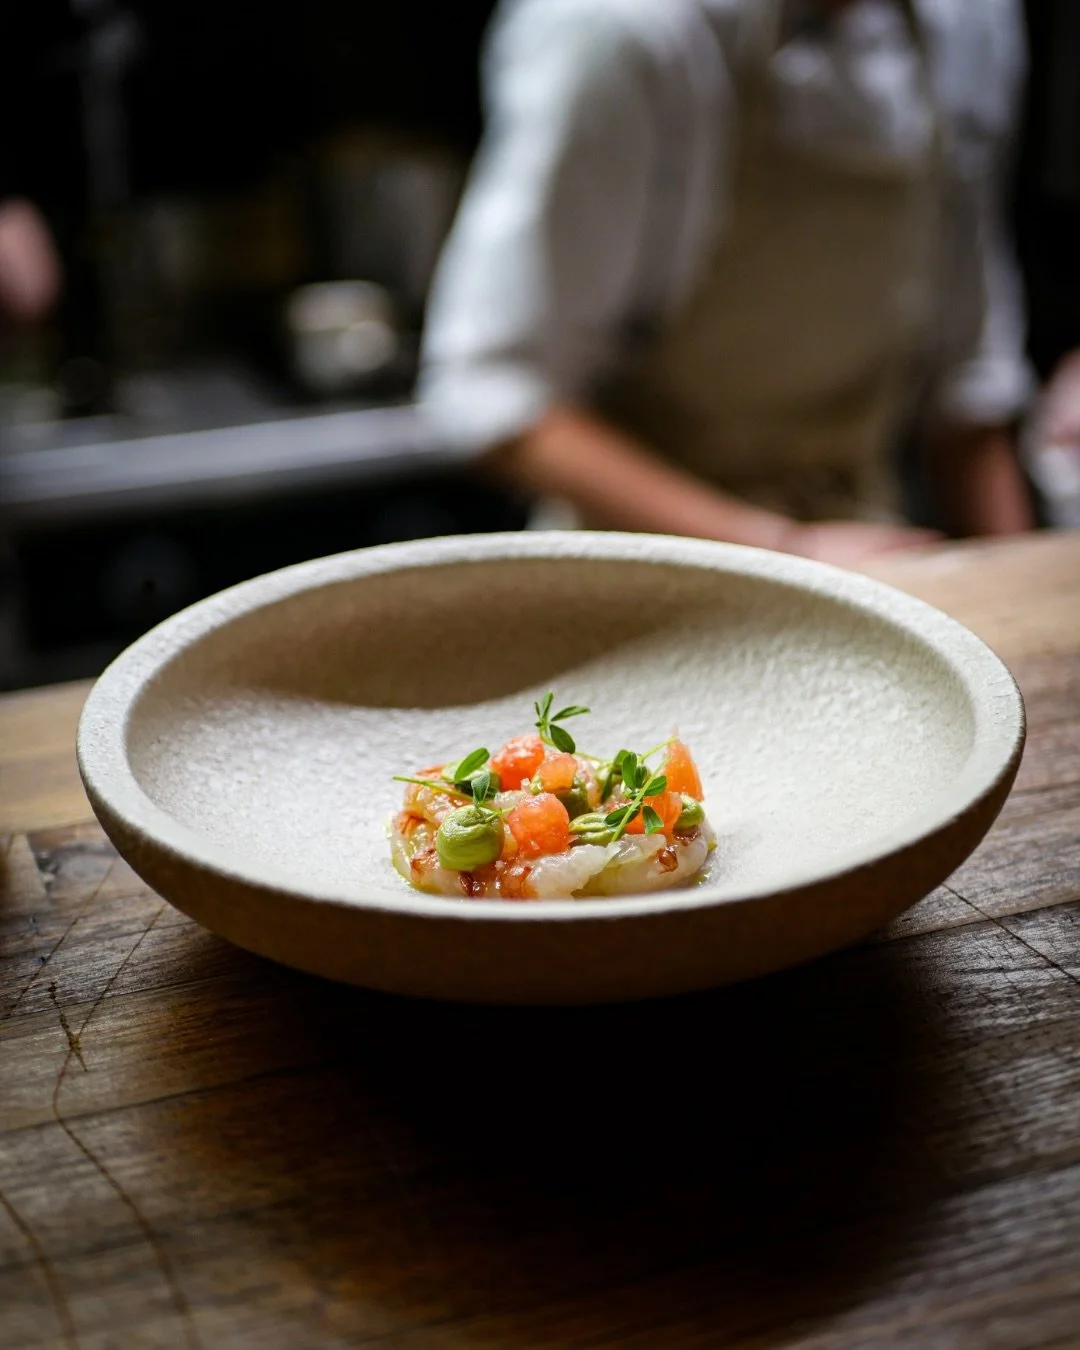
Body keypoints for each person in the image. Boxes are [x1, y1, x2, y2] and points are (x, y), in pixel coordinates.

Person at [418, 0, 1037, 566]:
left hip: (868, 553)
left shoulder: (969, 25)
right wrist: (786, 549)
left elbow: (968, 395)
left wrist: (1023, 593)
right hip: (636, 568)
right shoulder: (622, 32)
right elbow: (497, 395)